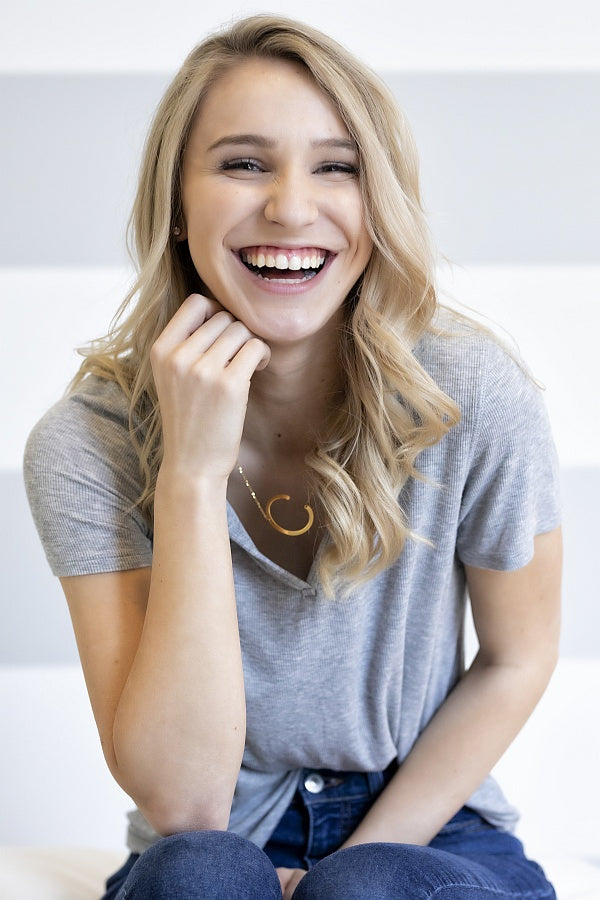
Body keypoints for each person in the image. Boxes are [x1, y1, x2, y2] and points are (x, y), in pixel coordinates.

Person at [24, 14, 562, 900]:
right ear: (176, 204)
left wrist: (336, 877)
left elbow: (517, 657)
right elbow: (186, 801)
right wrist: (191, 475)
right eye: (244, 163)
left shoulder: (472, 393)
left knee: (368, 889)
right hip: (214, 838)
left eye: (336, 167)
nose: (291, 207)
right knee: (199, 872)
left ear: (377, 202)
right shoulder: (87, 443)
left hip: (429, 823)